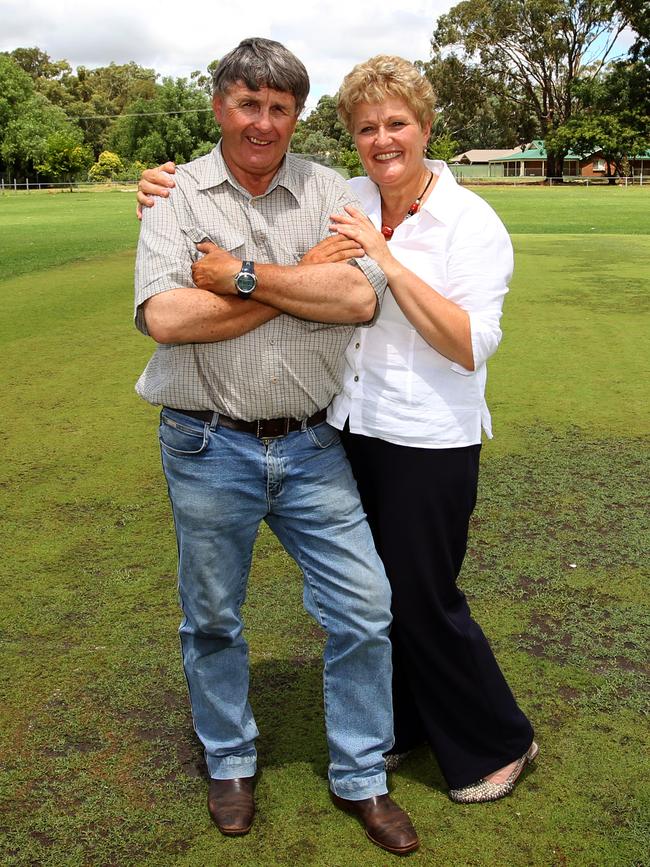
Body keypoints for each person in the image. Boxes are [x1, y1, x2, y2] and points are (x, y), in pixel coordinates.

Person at [138, 54, 538, 804]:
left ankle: (494, 738)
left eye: (397, 124)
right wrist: (167, 196)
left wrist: (258, 273)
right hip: (346, 428)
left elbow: (410, 320)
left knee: (412, 599)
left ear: (425, 127)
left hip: (426, 434)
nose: (382, 139)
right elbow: (182, 307)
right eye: (366, 127)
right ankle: (386, 723)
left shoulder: (459, 218)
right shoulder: (345, 194)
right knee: (331, 603)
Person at [134, 38, 418, 855]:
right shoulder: (175, 195)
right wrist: (299, 280)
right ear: (220, 103)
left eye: (280, 107)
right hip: (205, 441)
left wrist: (242, 276)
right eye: (248, 103)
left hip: (310, 444)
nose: (263, 122)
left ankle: (362, 773)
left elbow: (363, 295)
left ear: (297, 114)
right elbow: (167, 318)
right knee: (213, 615)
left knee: (364, 607)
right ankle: (229, 757)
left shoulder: (333, 188)